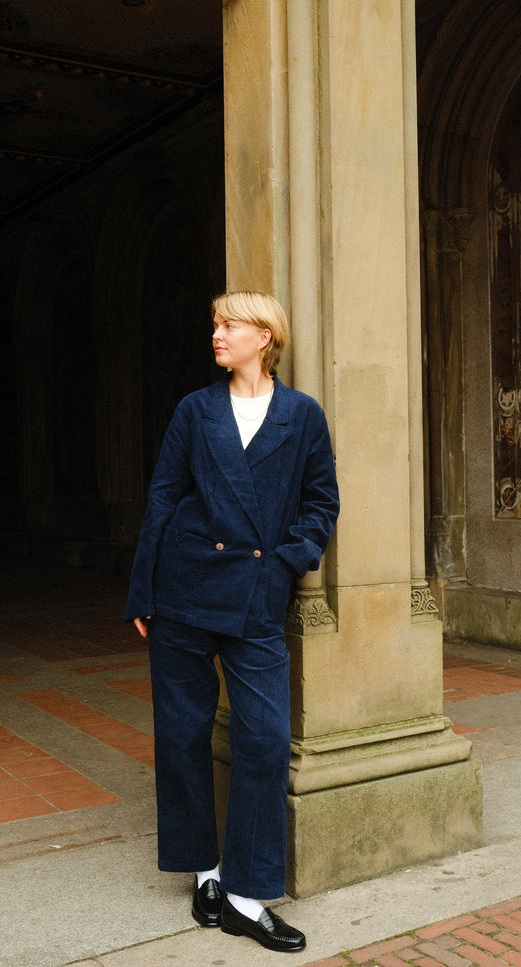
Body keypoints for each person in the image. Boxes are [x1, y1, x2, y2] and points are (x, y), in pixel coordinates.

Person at [125, 290, 339, 952]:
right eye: (214, 323)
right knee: (183, 737)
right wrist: (142, 592)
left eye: (229, 324)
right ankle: (207, 876)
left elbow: (319, 501)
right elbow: (163, 494)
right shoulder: (196, 410)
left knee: (267, 740)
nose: (216, 333)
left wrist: (286, 562)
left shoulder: (302, 415)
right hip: (183, 592)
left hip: (254, 596)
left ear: (263, 336)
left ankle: (248, 894)